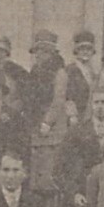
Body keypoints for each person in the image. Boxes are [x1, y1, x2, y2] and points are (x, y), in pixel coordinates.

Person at [25, 29, 69, 194]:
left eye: (43, 51)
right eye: (37, 51)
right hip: (36, 124)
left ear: (51, 53)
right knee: (36, 170)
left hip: (53, 127)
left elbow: (58, 100)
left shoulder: (60, 73)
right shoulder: (35, 71)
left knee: (49, 171)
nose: (38, 55)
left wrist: (47, 122)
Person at [0, 36, 30, 112]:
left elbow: (26, 91)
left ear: (7, 53)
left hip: (10, 107)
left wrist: (17, 105)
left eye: (2, 51)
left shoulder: (16, 70)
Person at [64, 30, 98, 125]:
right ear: (77, 51)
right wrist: (72, 115)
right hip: (75, 118)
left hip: (90, 117)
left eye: (88, 49)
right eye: (82, 49)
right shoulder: (71, 70)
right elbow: (68, 95)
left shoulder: (93, 72)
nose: (85, 52)